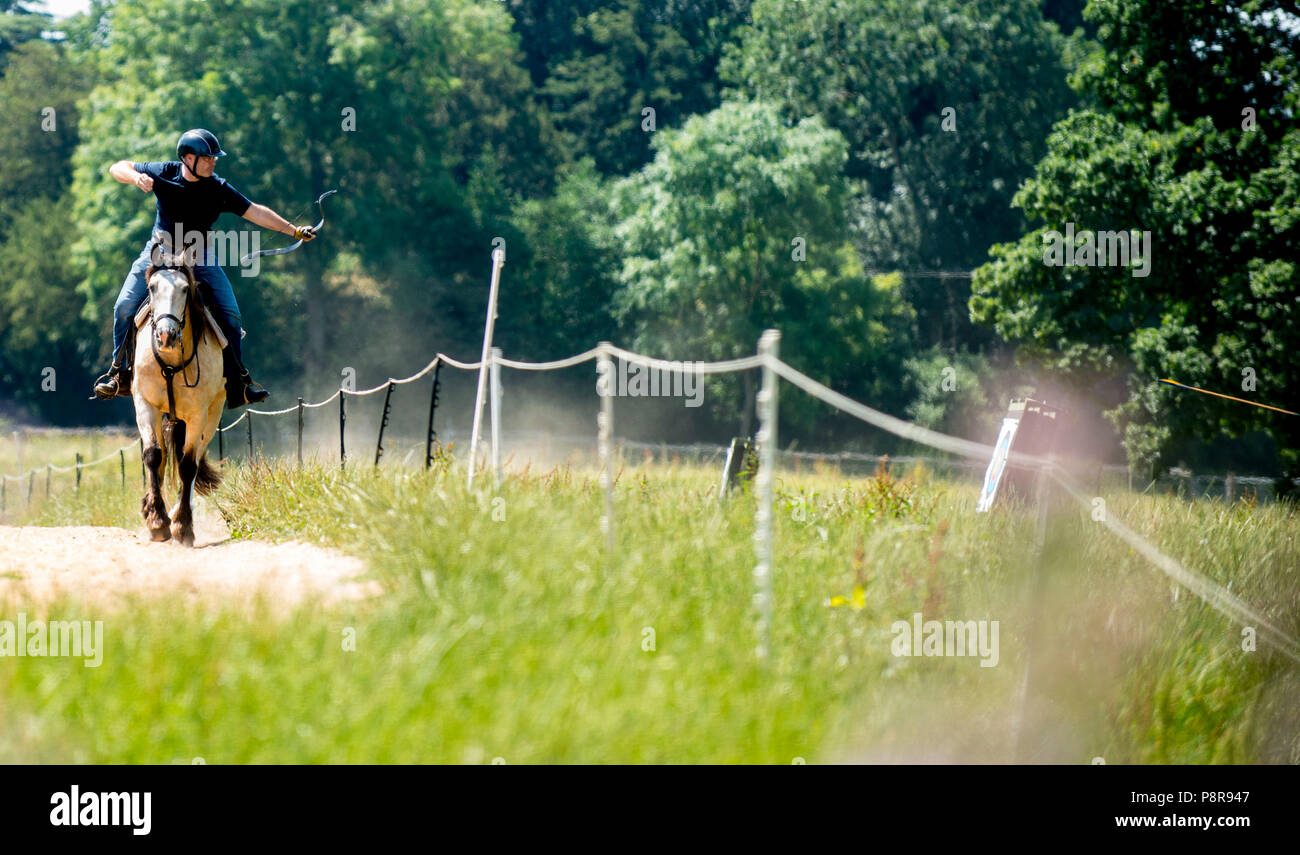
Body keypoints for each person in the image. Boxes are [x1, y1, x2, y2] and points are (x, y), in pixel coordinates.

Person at [91, 128, 318, 408]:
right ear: (187, 159)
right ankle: (118, 373)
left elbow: (255, 211)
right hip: (159, 254)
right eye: (207, 157)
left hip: (201, 259)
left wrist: (293, 230)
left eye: (214, 158)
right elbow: (118, 167)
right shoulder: (164, 172)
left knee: (232, 316)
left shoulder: (218, 189)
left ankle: (238, 382)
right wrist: (135, 177)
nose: (213, 162)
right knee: (124, 307)